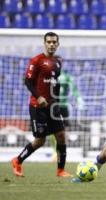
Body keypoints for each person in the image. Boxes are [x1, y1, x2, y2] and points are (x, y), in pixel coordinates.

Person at [11, 32, 72, 177]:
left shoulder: (58, 62)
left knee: (61, 136)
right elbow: (27, 81)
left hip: (52, 106)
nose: (51, 44)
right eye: (49, 42)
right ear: (44, 43)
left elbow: (55, 82)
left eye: (54, 42)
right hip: (38, 107)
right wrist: (38, 97)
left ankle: (61, 170)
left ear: (57, 44)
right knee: (40, 140)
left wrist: (56, 101)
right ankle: (17, 161)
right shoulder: (36, 60)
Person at [49, 70, 84, 161]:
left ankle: (61, 151)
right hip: (53, 105)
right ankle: (55, 151)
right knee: (51, 130)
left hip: (63, 106)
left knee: (63, 131)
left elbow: (74, 88)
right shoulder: (50, 76)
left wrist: (78, 98)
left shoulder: (67, 77)